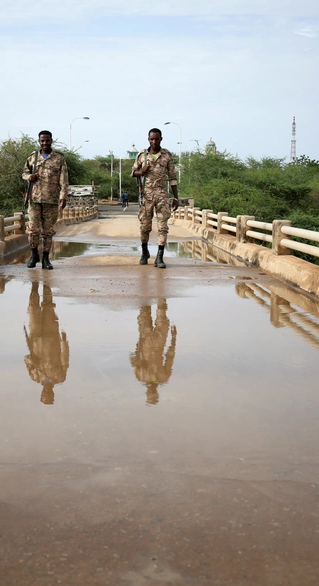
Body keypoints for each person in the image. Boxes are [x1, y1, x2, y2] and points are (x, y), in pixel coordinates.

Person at [132, 128, 179, 268]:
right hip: (146, 196)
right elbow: (133, 172)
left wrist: (176, 197)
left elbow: (172, 178)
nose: (154, 141)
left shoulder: (167, 155)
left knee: (162, 227)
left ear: (161, 139)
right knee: (145, 227)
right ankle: (144, 251)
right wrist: (141, 171)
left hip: (162, 197)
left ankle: (159, 257)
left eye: (156, 139)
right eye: (151, 139)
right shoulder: (142, 155)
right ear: (148, 139)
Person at [22, 130, 69, 269]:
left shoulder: (59, 159)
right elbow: (24, 172)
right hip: (34, 199)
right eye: (42, 141)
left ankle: (46, 259)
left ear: (51, 141)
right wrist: (28, 177)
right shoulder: (33, 157)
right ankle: (34, 254)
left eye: (47, 140)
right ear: (39, 142)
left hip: (51, 200)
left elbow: (64, 180)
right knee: (32, 230)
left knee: (47, 232)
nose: (45, 143)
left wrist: (63, 197)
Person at [23, 281, 69, 404]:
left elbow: (26, 359)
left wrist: (33, 361)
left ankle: (35, 284)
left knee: (33, 308)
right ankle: (46, 282)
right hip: (52, 335)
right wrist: (64, 343)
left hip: (36, 337)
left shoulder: (35, 376)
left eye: (45, 394)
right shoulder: (60, 377)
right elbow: (65, 358)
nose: (47, 392)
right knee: (48, 306)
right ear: (52, 394)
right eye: (48, 395)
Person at [129, 299, 177, 405]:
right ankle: (160, 290)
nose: (151, 392)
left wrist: (139, 363)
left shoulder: (141, 376)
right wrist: (174, 338)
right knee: (161, 311)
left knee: (144, 311)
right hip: (158, 340)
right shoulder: (163, 378)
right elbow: (170, 356)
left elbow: (132, 359)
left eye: (150, 395)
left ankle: (149, 290)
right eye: (153, 395)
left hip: (146, 341)